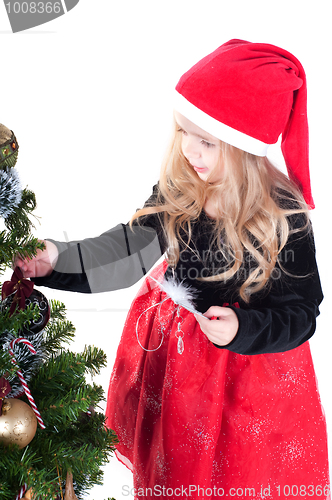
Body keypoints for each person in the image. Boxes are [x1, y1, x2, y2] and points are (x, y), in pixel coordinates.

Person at [16, 40, 330, 499]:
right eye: (183, 132)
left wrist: (243, 327)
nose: (189, 151)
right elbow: (127, 252)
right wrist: (59, 258)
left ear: (244, 145)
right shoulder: (181, 189)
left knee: (239, 478)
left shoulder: (283, 216)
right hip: (178, 370)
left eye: (206, 141)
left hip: (249, 384)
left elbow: (301, 313)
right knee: (177, 473)